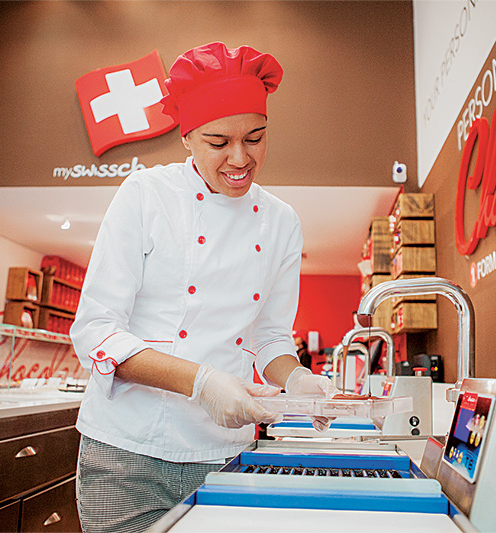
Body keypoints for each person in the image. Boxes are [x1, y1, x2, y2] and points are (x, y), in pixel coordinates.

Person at [70, 42, 337, 533]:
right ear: (187, 139)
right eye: (218, 142)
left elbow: (270, 339)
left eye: (255, 138)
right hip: (126, 457)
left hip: (223, 452)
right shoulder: (146, 196)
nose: (240, 158)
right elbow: (96, 331)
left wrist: (298, 381)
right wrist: (202, 382)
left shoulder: (280, 221)